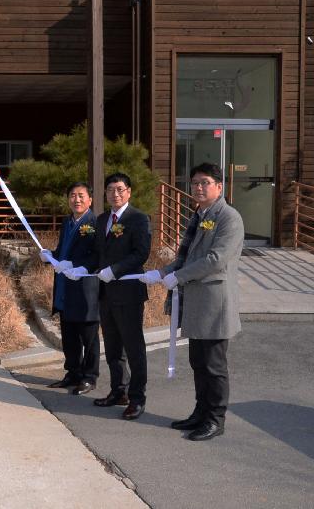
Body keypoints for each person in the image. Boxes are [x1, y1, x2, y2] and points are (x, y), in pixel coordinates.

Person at [143, 162, 244, 441]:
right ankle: (200, 413)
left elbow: (216, 260)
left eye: (205, 183)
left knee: (213, 365)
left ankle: (215, 419)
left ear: (219, 187)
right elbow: (187, 257)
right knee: (198, 362)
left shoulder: (228, 217)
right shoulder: (199, 214)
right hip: (197, 301)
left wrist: (180, 277)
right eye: (195, 183)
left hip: (214, 303)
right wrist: (162, 272)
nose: (199, 188)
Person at [91, 173, 151, 420]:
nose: (114, 194)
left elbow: (141, 254)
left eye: (119, 190)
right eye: (110, 190)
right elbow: (97, 253)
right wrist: (81, 268)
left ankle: (137, 398)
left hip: (128, 293)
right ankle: (119, 391)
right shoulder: (102, 219)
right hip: (106, 293)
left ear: (129, 192)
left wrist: (114, 271)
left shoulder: (138, 219)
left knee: (133, 347)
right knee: (113, 347)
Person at [40, 182, 100, 396]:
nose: (77, 200)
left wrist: (76, 266)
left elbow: (96, 255)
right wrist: (50, 256)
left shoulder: (94, 223)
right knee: (69, 336)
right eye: (73, 195)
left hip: (85, 289)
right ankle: (73, 373)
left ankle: (89, 377)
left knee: (89, 337)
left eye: (81, 195)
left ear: (90, 200)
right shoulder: (67, 222)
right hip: (65, 287)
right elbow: (62, 252)